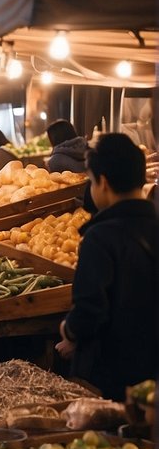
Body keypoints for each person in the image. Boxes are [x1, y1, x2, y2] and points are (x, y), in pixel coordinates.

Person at [57, 134, 157, 401]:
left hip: (113, 379)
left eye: (90, 180)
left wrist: (69, 330)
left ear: (103, 182)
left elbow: (90, 311)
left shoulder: (100, 238)